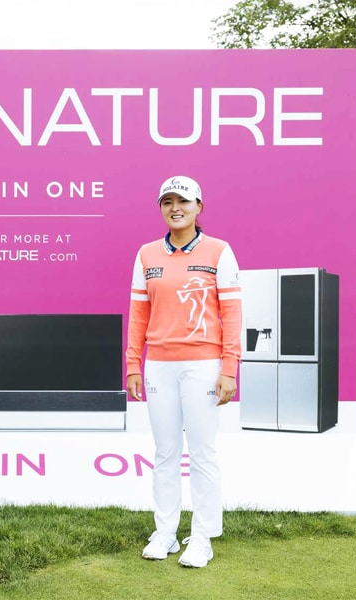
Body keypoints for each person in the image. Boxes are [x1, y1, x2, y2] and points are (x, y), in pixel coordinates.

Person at [126, 175, 241, 568]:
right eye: (168, 201)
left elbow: (232, 315)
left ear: (199, 208)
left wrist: (230, 367)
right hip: (158, 365)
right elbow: (139, 314)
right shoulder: (146, 254)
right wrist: (132, 364)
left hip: (203, 366)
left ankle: (203, 536)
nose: (175, 208)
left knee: (203, 453)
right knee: (165, 453)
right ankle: (166, 533)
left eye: (184, 201)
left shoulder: (219, 252)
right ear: (161, 207)